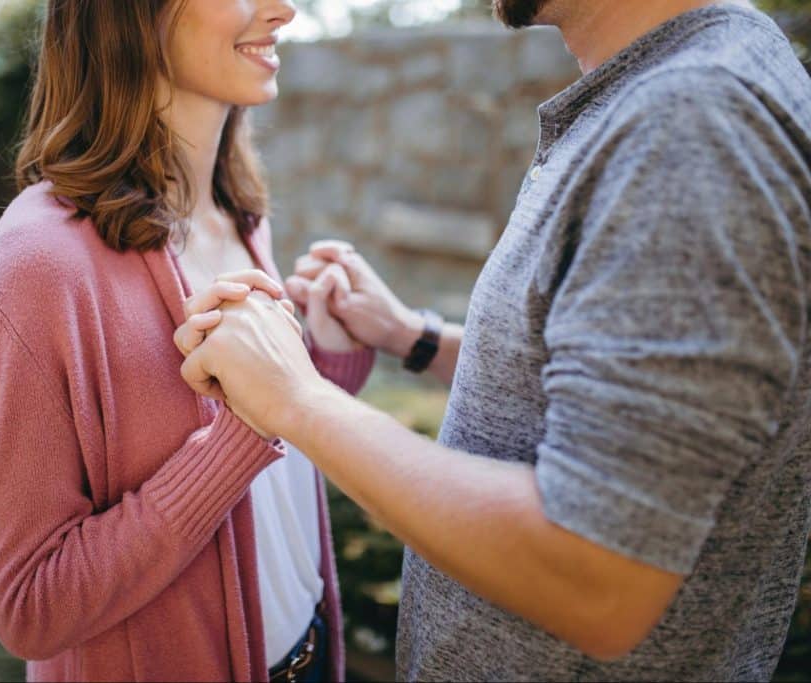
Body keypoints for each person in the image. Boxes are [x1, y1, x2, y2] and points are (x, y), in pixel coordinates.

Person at [177, 0, 811, 680]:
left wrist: (298, 399)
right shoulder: (682, 84)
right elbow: (616, 396)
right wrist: (413, 337)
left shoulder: (691, 122)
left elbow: (596, 577)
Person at [0, 1, 375, 681]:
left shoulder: (239, 212)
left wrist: (328, 354)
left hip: (313, 654)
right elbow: (29, 607)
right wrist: (241, 435)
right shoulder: (35, 266)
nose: (284, 9)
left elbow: (276, 465)